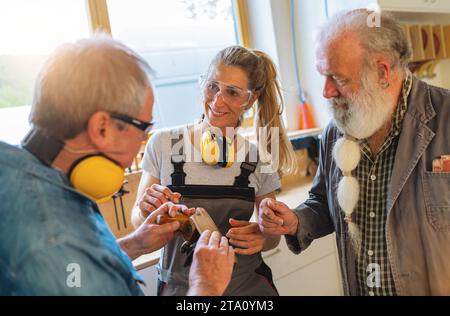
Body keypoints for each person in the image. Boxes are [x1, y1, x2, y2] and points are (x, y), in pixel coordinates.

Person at [0, 34, 234, 296]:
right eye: (143, 128)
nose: (143, 141)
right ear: (102, 127)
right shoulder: (55, 240)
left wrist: (135, 245)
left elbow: (76, 274)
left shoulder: (13, 174)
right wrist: (206, 285)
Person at [258, 9, 450, 296]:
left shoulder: (444, 117)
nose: (325, 91)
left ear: (382, 72)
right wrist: (296, 221)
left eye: (338, 78)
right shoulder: (336, 130)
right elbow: (324, 201)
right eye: (323, 75)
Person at [131, 45, 297, 295]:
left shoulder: (257, 155)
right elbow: (138, 222)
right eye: (212, 86)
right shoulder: (163, 145)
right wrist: (145, 210)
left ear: (251, 98)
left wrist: (264, 237)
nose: (217, 101)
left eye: (232, 92)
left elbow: (272, 235)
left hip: (245, 288)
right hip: (181, 288)